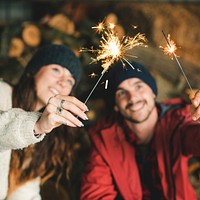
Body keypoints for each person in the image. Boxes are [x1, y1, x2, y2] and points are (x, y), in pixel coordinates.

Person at [80, 61, 200, 200]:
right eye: (122, 92)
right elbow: (95, 194)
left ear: (153, 92)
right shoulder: (103, 138)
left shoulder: (179, 120)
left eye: (138, 86)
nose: (133, 97)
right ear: (116, 106)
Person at [0, 44, 89, 200]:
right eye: (56, 70)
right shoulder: (2, 92)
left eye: (70, 81)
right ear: (33, 70)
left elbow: (25, 191)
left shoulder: (49, 128)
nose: (62, 82)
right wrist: (36, 126)